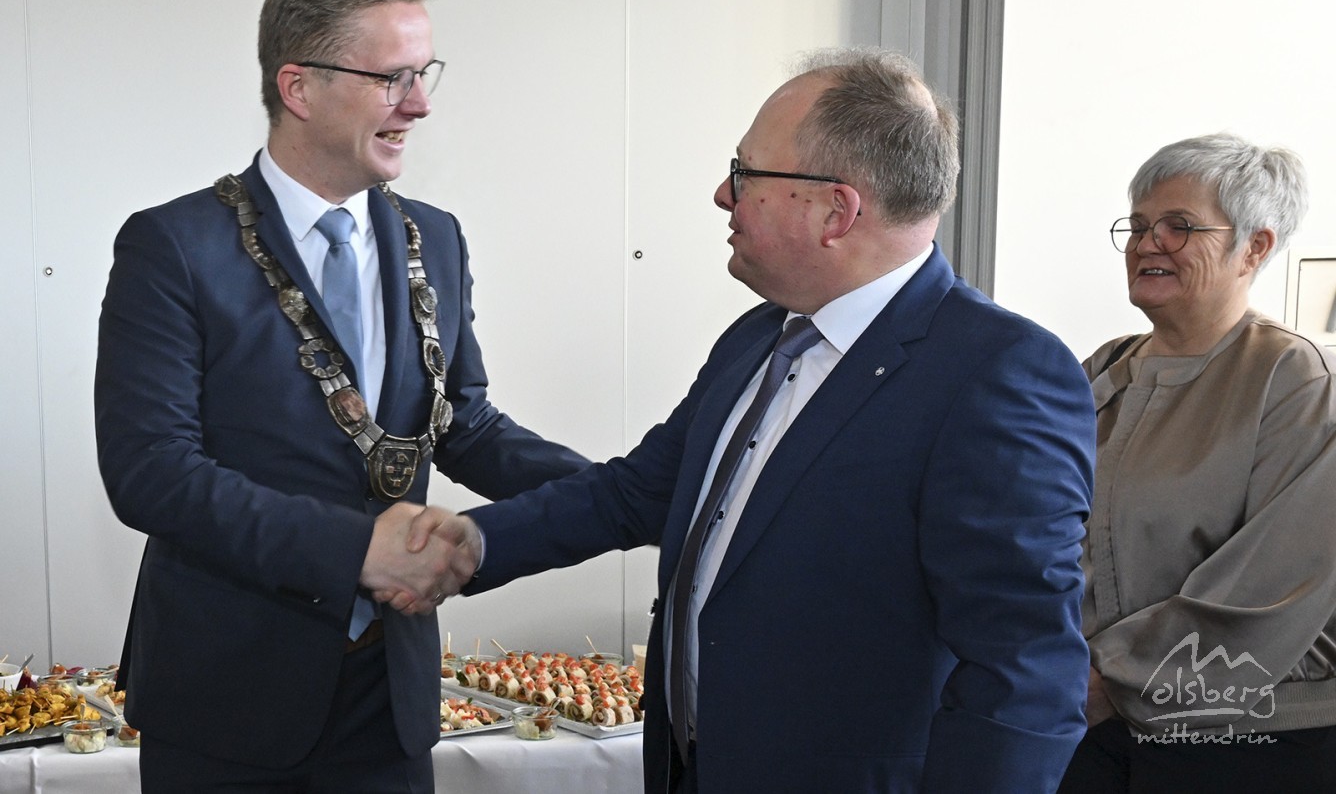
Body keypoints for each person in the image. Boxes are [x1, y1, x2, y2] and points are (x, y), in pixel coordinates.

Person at [430, 47, 1096, 792]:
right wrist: (467, 545)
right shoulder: (758, 338)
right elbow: (636, 492)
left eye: (745, 173)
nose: (723, 194)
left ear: (836, 211)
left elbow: (1025, 671)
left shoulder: (998, 373)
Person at [93, 0, 589, 791]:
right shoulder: (174, 246)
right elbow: (151, 473)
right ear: (299, 87)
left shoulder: (436, 236)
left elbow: (462, 425)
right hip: (226, 700)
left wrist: (626, 494)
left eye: (424, 73)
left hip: (388, 702)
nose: (420, 103)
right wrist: (359, 550)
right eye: (393, 78)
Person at [1058, 133, 1336, 792]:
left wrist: (1108, 679)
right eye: (1139, 226)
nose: (1147, 244)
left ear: (1255, 247)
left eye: (1179, 226)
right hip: (1087, 719)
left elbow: (1270, 585)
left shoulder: (1295, 379)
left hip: (1243, 738)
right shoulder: (1102, 369)